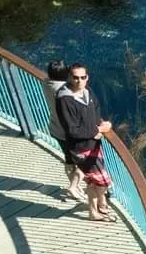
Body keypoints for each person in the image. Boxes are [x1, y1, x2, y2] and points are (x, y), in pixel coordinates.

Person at [54, 63, 116, 222]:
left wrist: (102, 125)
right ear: (69, 77)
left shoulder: (87, 92)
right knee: (102, 181)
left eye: (83, 77)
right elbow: (72, 130)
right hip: (80, 148)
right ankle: (98, 207)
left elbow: (95, 110)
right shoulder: (65, 99)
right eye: (75, 77)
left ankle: (95, 210)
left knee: (93, 181)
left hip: (93, 145)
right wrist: (98, 131)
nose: (79, 81)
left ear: (87, 77)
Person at [45, 60, 85, 201]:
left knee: (69, 160)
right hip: (70, 133)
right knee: (85, 160)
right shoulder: (67, 92)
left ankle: (75, 186)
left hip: (56, 129)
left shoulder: (47, 84)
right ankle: (74, 186)